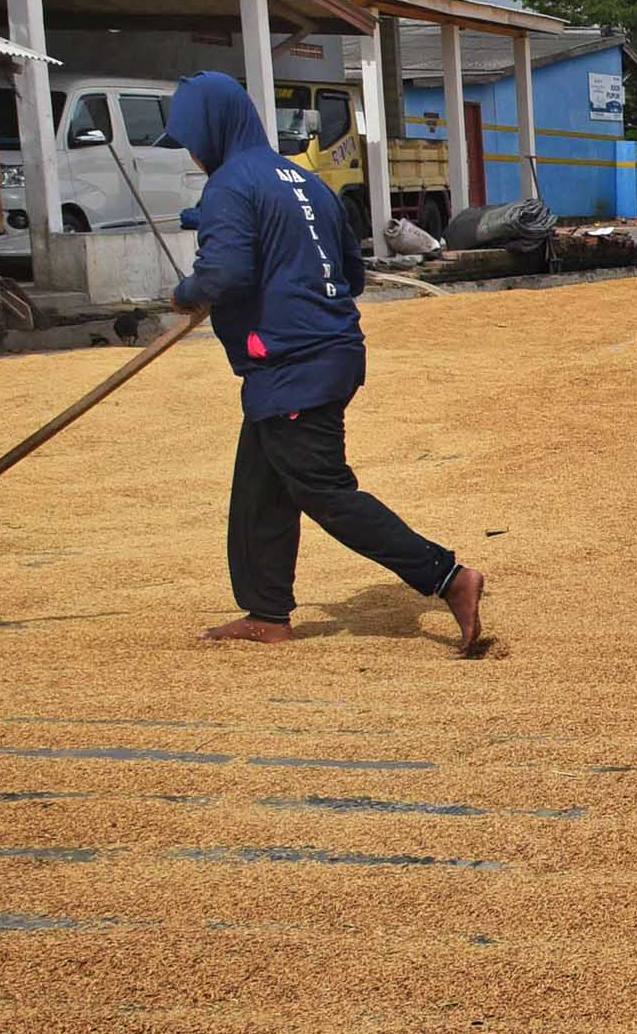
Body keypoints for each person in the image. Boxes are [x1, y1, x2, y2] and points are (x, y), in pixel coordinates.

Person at [163, 70, 487, 653]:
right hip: (327, 352)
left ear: (212, 129)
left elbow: (227, 273)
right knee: (261, 486)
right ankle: (266, 612)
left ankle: (446, 577)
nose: (190, 152)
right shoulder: (307, 181)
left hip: (294, 363)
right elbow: (353, 275)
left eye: (190, 137)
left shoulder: (231, 186)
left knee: (323, 488)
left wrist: (188, 291)